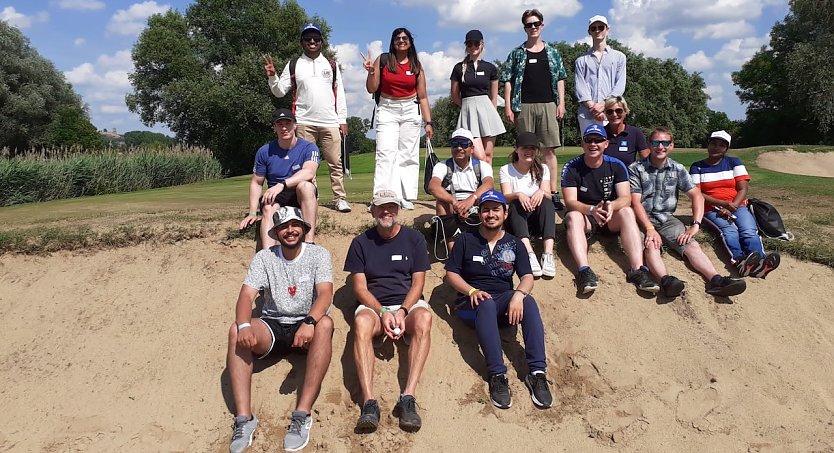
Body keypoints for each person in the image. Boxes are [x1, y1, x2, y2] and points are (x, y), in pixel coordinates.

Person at [226, 207, 334, 453]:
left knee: (325, 323)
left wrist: (309, 322)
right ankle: (244, 419)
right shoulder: (265, 258)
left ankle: (302, 413)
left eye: (295, 225)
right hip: (273, 324)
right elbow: (246, 296)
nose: (290, 230)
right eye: (284, 227)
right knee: (235, 330)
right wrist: (244, 325)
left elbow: (325, 294)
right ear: (276, 232)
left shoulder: (319, 255)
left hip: (306, 325)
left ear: (304, 229)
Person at [444, 189, 553, 410]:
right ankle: (497, 375)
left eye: (496, 210)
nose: (490, 214)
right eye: (485, 210)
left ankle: (537, 373)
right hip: (471, 305)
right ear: (480, 214)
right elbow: (451, 274)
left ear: (505, 214)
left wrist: (519, 296)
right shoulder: (466, 239)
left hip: (503, 304)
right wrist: (471, 291)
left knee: (528, 302)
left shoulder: (515, 244)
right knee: (486, 302)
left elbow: (527, 277)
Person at [344, 189, 432, 431]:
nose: (386, 211)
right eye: (381, 207)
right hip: (374, 306)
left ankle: (408, 398)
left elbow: (418, 283)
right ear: (372, 210)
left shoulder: (414, 239)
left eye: (391, 207)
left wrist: (403, 311)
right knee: (361, 323)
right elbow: (360, 288)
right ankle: (369, 403)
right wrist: (382, 312)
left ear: (398, 209)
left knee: (424, 317)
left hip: (407, 304)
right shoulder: (361, 243)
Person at [629, 127, 747, 298]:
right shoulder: (636, 168)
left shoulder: (677, 168)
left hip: (666, 219)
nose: (660, 146)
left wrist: (695, 224)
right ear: (649, 144)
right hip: (641, 220)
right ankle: (665, 281)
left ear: (671, 146)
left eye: (665, 143)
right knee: (651, 245)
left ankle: (716, 280)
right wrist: (649, 229)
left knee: (691, 244)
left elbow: (697, 196)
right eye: (656, 142)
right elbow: (635, 201)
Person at [264, 22, 351, 213]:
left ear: (321, 41)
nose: (312, 41)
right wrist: (272, 76)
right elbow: (279, 92)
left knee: (335, 162)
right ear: (302, 42)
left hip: (330, 120)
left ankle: (339, 199)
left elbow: (340, 93)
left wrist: (342, 119)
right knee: (306, 165)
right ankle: (311, 198)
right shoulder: (294, 64)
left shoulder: (331, 65)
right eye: (308, 38)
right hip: (303, 120)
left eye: (316, 38)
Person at [561, 124, 658, 295]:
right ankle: (584, 271)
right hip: (587, 217)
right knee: (572, 217)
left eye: (598, 140)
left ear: (606, 144)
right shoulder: (571, 167)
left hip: (609, 215)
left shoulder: (617, 165)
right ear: (582, 144)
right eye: (588, 140)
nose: (593, 144)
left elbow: (626, 198)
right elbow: (570, 201)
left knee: (628, 211)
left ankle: (637, 270)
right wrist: (591, 210)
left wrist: (612, 206)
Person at [500, 8, 568, 209]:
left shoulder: (553, 52)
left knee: (549, 151)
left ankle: (551, 192)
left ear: (542, 25)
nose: (533, 27)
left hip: (548, 104)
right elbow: (508, 81)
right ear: (524, 28)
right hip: (524, 105)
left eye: (536, 23)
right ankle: (527, 189)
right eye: (529, 25)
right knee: (525, 150)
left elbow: (561, 79)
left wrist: (561, 103)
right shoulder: (516, 53)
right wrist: (508, 106)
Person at [690, 130, 781, 278]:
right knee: (729, 231)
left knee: (748, 231)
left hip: (737, 205)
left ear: (726, 149)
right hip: (710, 209)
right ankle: (739, 261)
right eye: (713, 143)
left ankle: (759, 263)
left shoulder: (734, 162)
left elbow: (742, 188)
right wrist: (723, 204)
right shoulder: (697, 166)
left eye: (721, 145)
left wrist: (732, 206)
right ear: (708, 145)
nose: (716, 147)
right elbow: (696, 193)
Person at [362, 28, 433, 209]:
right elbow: (372, 88)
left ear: (410, 41)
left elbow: (423, 96)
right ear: (393, 42)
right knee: (385, 153)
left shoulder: (416, 65)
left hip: (411, 109)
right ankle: (380, 197)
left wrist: (428, 122)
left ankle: (404, 196)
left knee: (408, 154)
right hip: (387, 108)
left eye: (405, 38)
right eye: (397, 38)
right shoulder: (384, 60)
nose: (401, 40)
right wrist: (371, 72)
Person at [239, 109, 319, 247]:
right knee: (268, 208)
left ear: (295, 125)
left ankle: (309, 242)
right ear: (274, 127)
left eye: (287, 123)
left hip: (298, 192)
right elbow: (257, 182)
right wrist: (252, 212)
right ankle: (268, 255)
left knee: (305, 186)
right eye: (279, 124)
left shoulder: (309, 148)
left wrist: (282, 184)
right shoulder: (265, 151)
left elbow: (309, 172)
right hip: (277, 194)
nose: (284, 128)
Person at [498, 131, 557, 278]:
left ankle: (548, 254)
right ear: (517, 149)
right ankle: (529, 253)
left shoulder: (543, 168)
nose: (528, 151)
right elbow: (505, 197)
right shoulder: (506, 170)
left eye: (532, 148)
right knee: (516, 202)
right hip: (517, 220)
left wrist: (541, 192)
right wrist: (518, 194)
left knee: (547, 202)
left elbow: (548, 193)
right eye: (525, 148)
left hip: (537, 219)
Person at [427, 128, 494, 252]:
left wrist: (471, 200)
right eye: (455, 144)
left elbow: (489, 184)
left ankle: (483, 244)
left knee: (491, 202)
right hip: (453, 204)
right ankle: (453, 251)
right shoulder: (442, 166)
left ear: (472, 148)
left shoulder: (482, 166)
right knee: (442, 203)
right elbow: (433, 186)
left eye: (464, 144)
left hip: (475, 204)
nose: (459, 148)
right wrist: (454, 202)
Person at [450, 29, 506, 164]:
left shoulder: (490, 68)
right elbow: (455, 96)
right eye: (469, 44)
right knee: (478, 155)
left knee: (488, 155)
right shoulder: (458, 68)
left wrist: (492, 112)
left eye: (476, 43)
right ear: (466, 46)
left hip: (488, 111)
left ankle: (488, 184)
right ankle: (477, 183)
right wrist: (467, 108)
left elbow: (493, 95)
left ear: (482, 44)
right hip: (468, 112)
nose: (473, 47)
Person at [574, 15, 626, 133]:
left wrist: (604, 105)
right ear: (589, 32)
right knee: (590, 148)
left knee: (611, 148)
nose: (597, 30)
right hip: (587, 115)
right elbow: (580, 88)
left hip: (611, 113)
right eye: (594, 28)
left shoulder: (619, 57)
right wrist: (594, 108)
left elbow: (619, 86)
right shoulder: (581, 60)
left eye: (601, 27)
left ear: (607, 29)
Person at [602, 96, 648, 166]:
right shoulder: (600, 133)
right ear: (605, 114)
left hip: (628, 176)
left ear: (625, 112)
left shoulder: (635, 133)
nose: (614, 114)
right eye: (609, 111)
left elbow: (646, 161)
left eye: (618, 111)